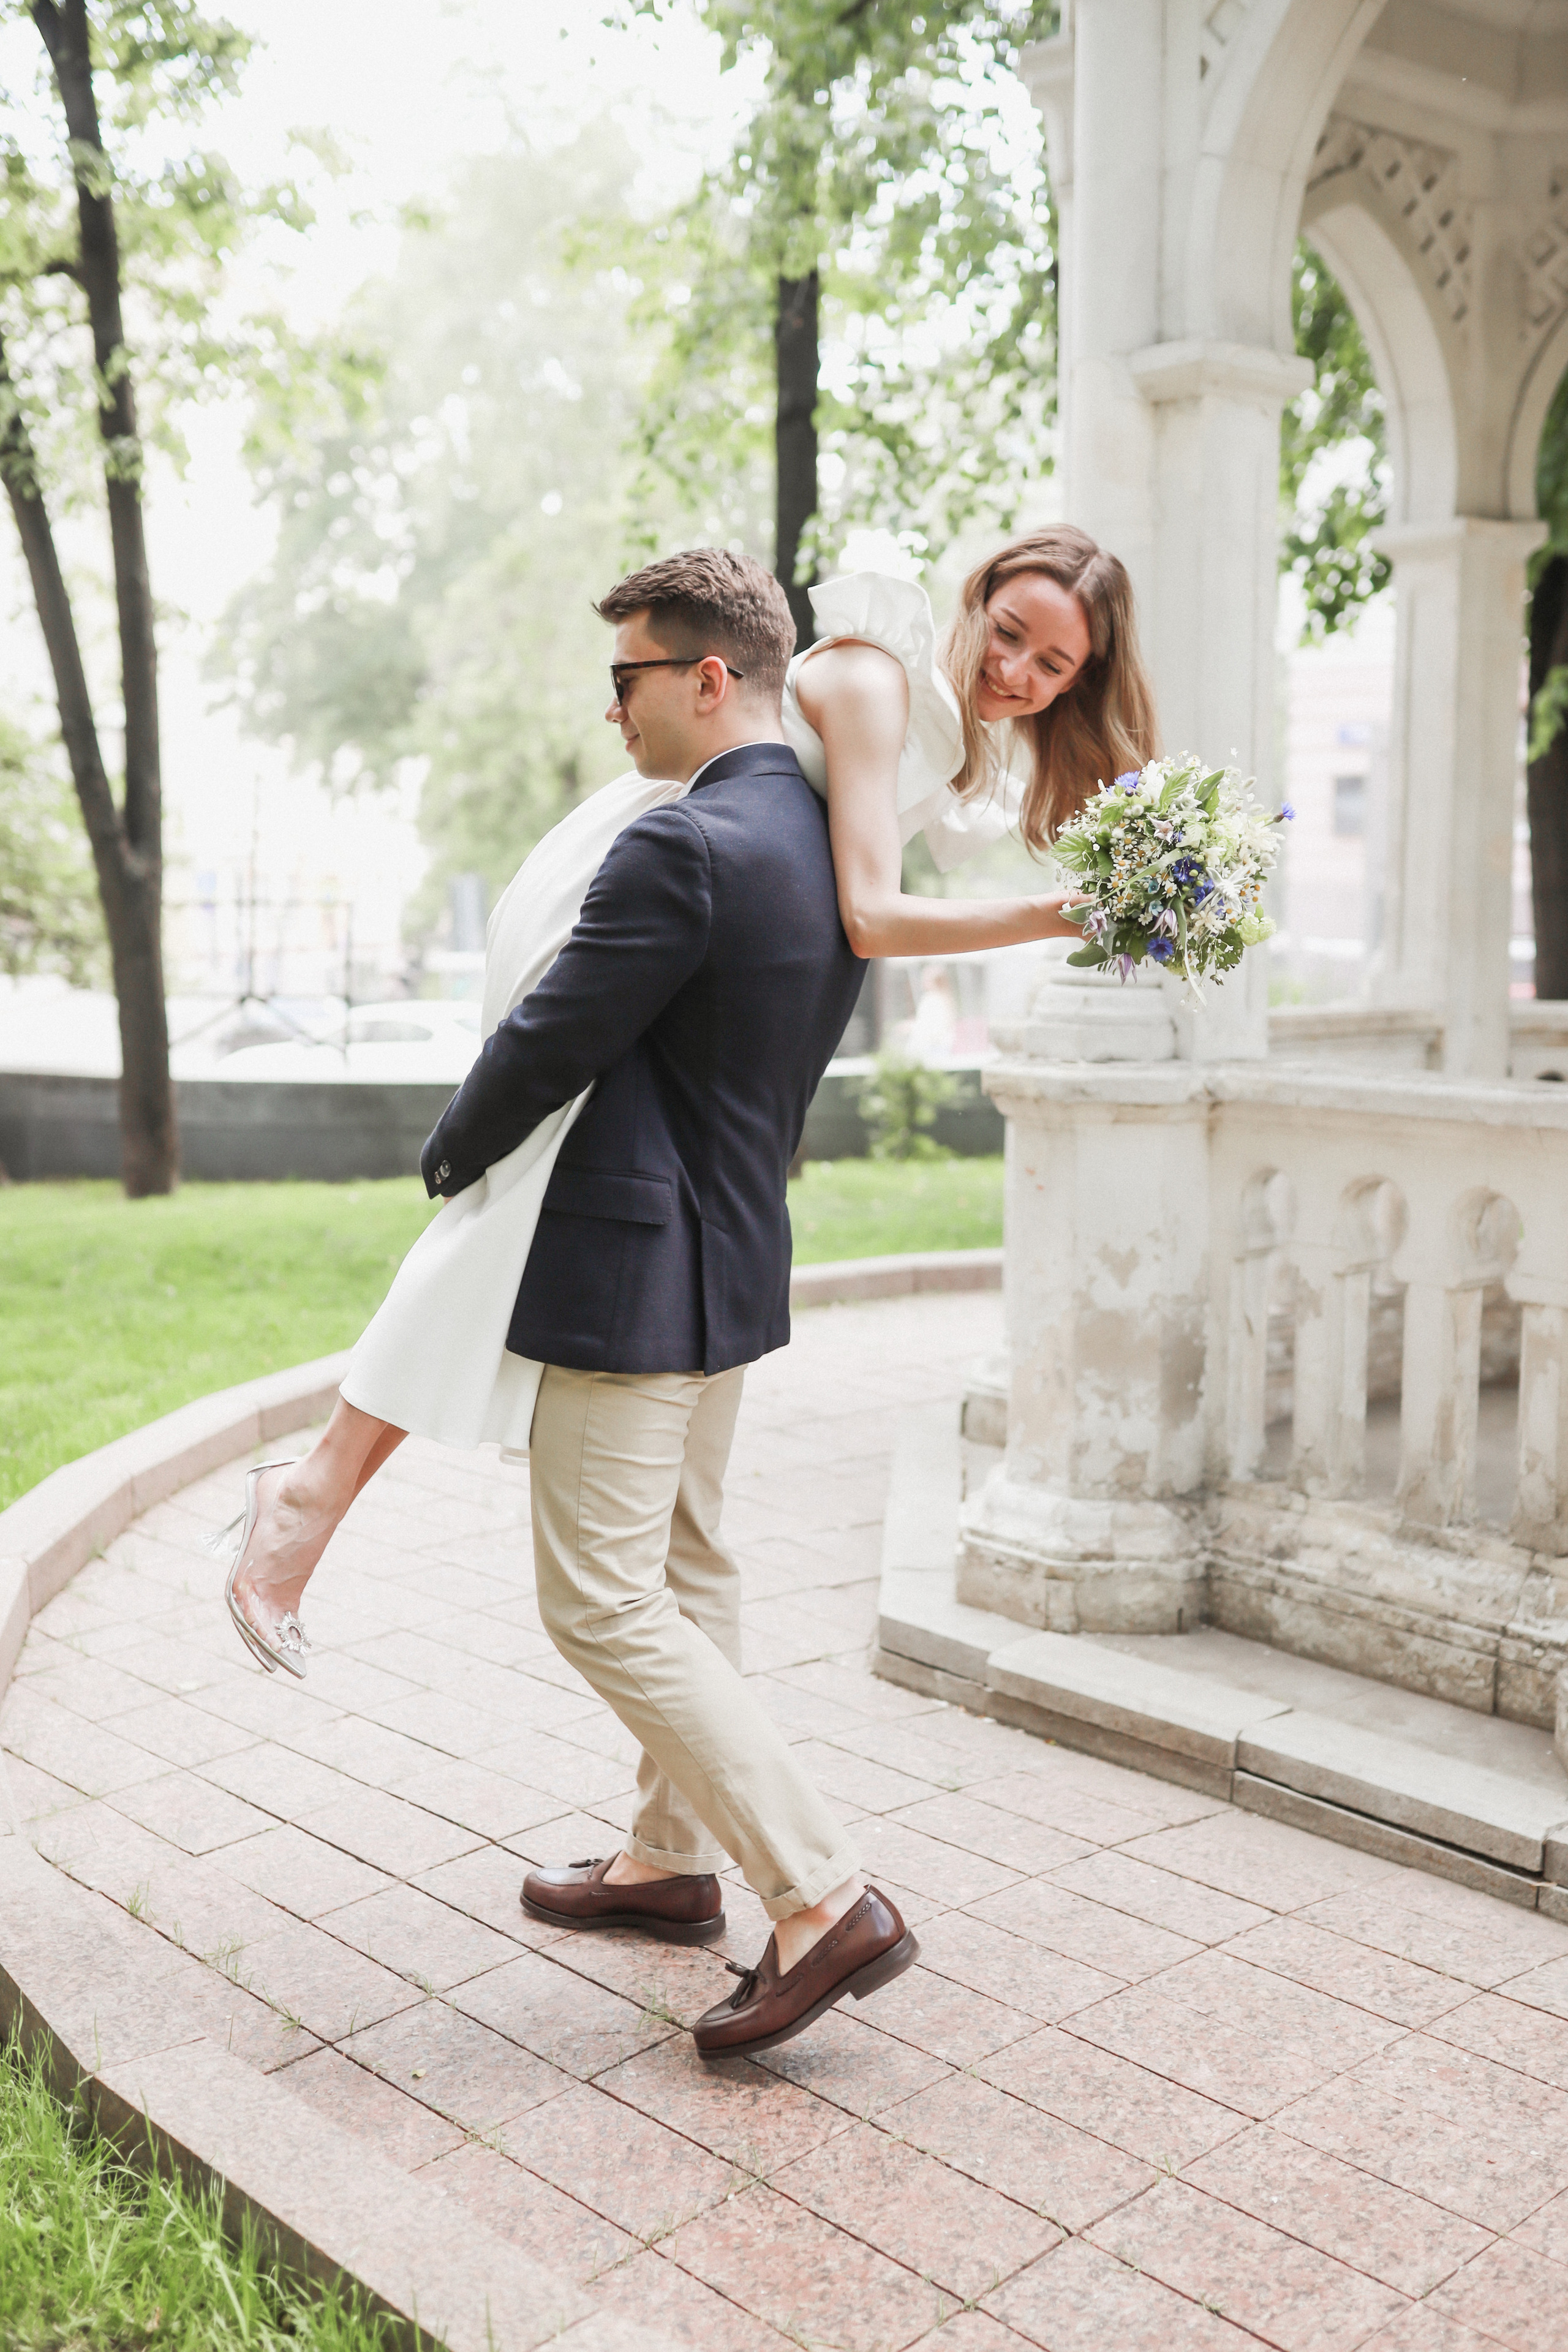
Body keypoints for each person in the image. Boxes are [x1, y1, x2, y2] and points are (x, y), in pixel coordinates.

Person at [219, 527, 1155, 1677]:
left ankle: (308, 1497)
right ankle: (306, 1495)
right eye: (1010, 634)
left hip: (698, 933)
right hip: (643, 887)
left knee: (514, 1219)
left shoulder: (963, 747)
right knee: (508, 1204)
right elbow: (868, 913)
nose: (1018, 673)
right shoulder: (872, 678)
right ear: (975, 601)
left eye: (1053, 667)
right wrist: (1064, 916)